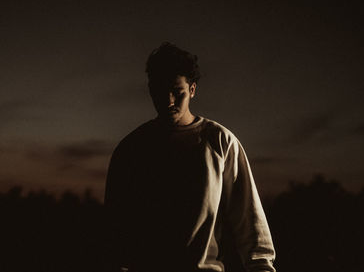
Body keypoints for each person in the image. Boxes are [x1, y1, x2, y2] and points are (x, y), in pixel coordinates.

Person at [104, 42, 276, 272]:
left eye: (177, 92)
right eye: (159, 90)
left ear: (192, 89)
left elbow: (251, 224)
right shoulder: (131, 149)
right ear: (150, 89)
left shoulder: (221, 143)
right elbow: (114, 233)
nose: (168, 101)